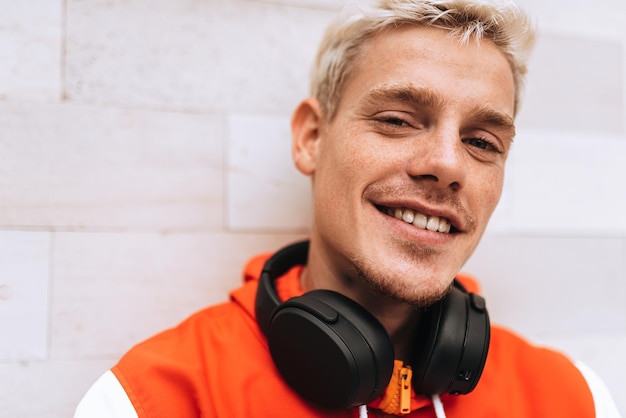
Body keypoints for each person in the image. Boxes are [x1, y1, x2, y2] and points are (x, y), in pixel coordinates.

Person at [75, 0, 622, 417]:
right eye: (397, 120)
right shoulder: (150, 401)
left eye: (482, 142)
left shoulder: (577, 399)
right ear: (312, 138)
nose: (447, 164)